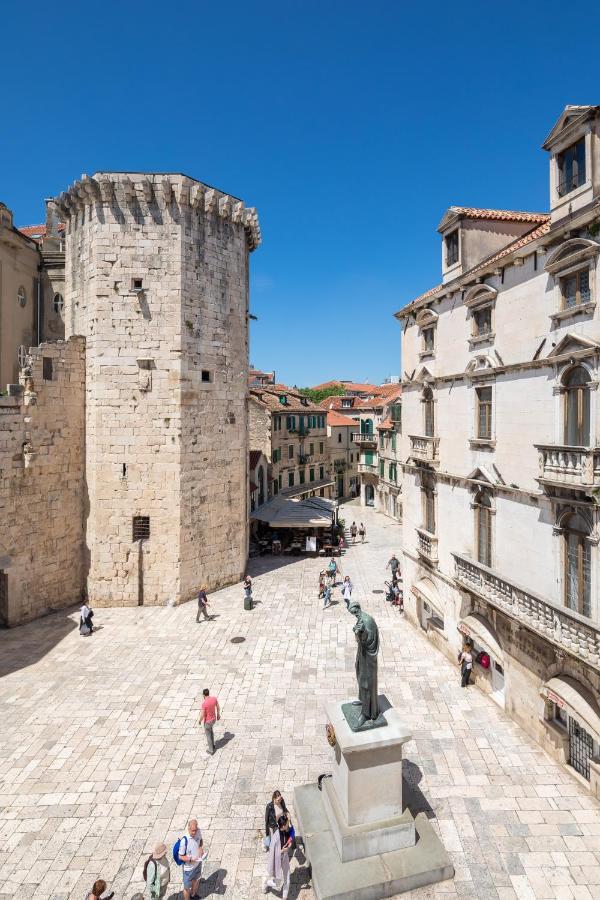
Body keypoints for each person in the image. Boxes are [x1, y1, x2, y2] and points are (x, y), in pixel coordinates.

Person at [263, 814, 293, 897]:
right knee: (277, 883)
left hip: (285, 857)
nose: (288, 825)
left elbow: (291, 837)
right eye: (287, 823)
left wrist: (288, 846)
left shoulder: (287, 830)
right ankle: (266, 882)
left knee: (287, 878)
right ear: (283, 826)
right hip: (277, 860)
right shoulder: (275, 838)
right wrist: (282, 851)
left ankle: (284, 897)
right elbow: (272, 854)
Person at [179, 819, 208, 900]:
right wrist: (191, 859)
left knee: (196, 880)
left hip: (198, 863)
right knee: (187, 887)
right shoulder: (184, 841)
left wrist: (200, 847)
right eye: (192, 831)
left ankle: (193, 895)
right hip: (189, 869)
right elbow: (180, 856)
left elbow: (201, 841)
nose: (194, 833)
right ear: (188, 828)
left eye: (195, 830)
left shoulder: (198, 831)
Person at [199, 688, 220, 755]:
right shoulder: (214, 699)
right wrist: (218, 714)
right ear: (208, 693)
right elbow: (218, 707)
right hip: (213, 719)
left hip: (207, 721)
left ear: (203, 695)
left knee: (208, 735)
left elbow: (202, 714)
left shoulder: (204, 704)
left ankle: (211, 750)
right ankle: (213, 745)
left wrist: (200, 720)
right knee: (211, 732)